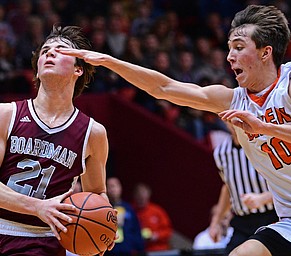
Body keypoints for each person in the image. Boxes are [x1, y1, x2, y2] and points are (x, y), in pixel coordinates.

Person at [57, 4, 291, 255]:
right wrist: (109, 61)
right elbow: (164, 88)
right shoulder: (231, 99)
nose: (230, 57)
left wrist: (266, 128)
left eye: (239, 48)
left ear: (266, 52)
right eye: (229, 48)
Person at [0, 25, 116, 255]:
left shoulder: (93, 133)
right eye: (45, 51)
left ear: (78, 70)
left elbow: (96, 194)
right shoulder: (5, 115)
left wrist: (105, 223)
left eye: (60, 50)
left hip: (44, 239)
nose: (49, 53)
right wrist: (38, 207)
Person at [210, 122, 278, 255]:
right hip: (242, 221)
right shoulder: (221, 153)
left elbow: (285, 182)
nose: (233, 124)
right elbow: (227, 187)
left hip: (272, 217)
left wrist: (263, 198)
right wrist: (216, 222)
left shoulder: (263, 144)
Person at [105, 177, 144, 256]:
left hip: (126, 250)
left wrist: (137, 247)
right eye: (109, 186)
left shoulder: (128, 208)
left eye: (114, 186)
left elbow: (136, 228)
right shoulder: (102, 208)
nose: (112, 189)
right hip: (109, 251)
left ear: (120, 188)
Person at [132, 183, 173, 252]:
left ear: (149, 195)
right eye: (139, 194)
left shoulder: (157, 211)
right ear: (135, 196)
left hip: (158, 250)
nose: (141, 197)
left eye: (144, 194)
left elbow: (168, 231)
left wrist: (156, 236)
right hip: (138, 251)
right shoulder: (130, 210)